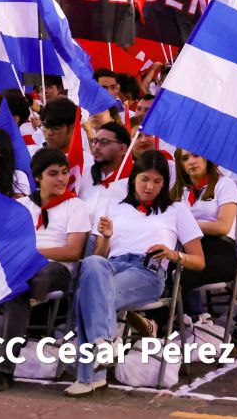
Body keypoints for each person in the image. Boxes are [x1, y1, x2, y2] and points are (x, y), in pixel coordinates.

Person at [65, 150, 205, 397]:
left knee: (86, 295)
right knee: (92, 263)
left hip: (146, 270)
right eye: (144, 179)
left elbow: (199, 261)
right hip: (112, 266)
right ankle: (103, 346)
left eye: (157, 181)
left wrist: (174, 255)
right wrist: (106, 237)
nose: (150, 187)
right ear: (133, 179)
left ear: (165, 183)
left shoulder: (177, 210)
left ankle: (92, 374)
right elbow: (100, 255)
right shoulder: (114, 207)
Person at [0, 148, 90, 391]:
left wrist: (33, 253)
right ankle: (3, 367)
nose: (61, 179)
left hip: (56, 269)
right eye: (53, 174)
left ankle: (2, 368)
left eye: (64, 173)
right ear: (38, 177)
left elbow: (73, 251)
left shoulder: (75, 206)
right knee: (15, 285)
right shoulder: (22, 205)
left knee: (25, 281)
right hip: (21, 268)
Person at [171, 150, 237, 324]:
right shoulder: (179, 192)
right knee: (160, 268)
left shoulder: (224, 184)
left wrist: (188, 226)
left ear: (206, 157)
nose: (191, 161)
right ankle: (171, 322)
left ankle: (160, 323)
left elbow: (223, 226)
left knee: (180, 274)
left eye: (196, 155)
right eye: (185, 158)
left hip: (219, 251)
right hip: (188, 249)